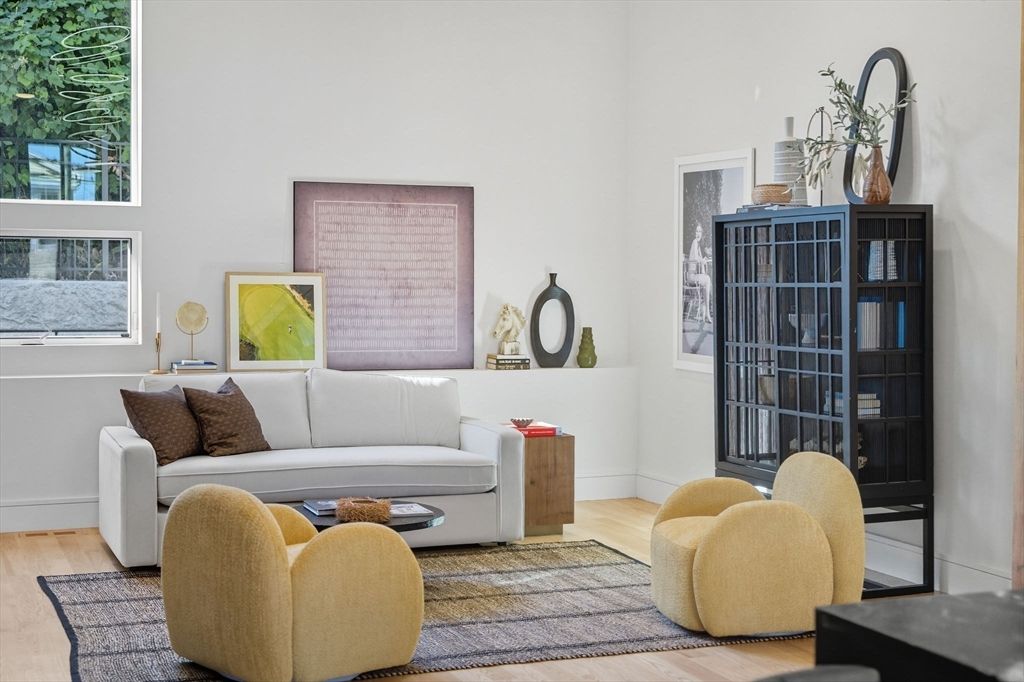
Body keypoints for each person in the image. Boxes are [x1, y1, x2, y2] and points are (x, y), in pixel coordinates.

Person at [686, 223, 713, 323]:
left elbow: (700, 260)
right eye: (696, 231)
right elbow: (697, 259)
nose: (698, 233)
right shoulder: (694, 242)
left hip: (695, 275)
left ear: (702, 233)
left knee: (708, 281)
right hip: (691, 276)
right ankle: (707, 313)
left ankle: (705, 312)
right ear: (694, 233)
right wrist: (702, 260)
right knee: (707, 280)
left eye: (700, 231)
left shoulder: (698, 246)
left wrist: (703, 260)